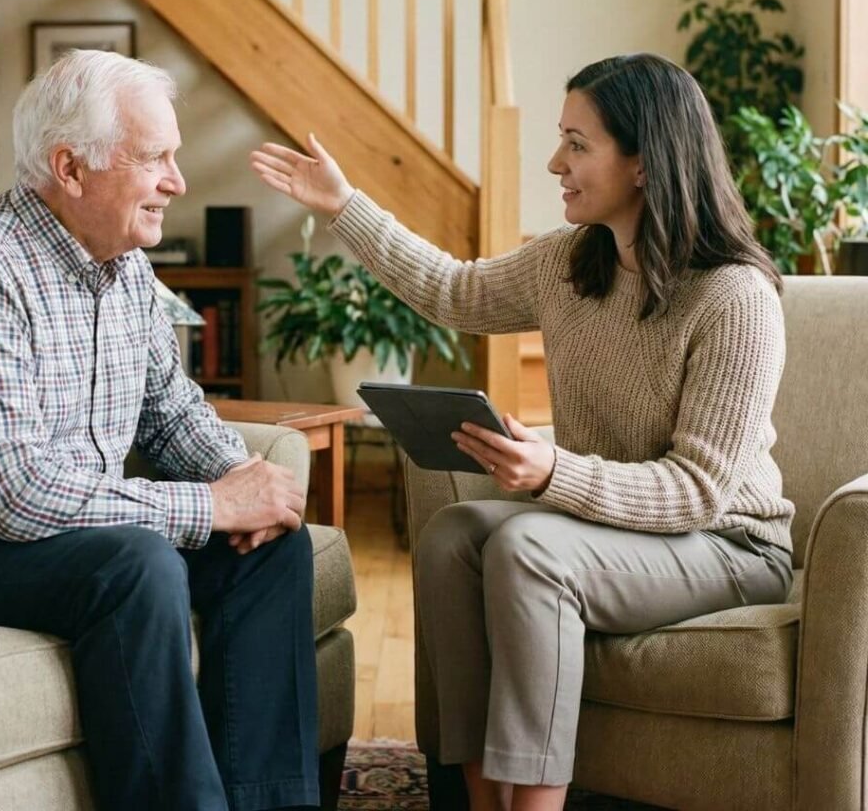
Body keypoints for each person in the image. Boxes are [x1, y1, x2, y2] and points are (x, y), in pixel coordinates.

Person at [250, 53, 794, 811]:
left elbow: (700, 492)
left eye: (577, 143)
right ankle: (479, 799)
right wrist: (346, 207)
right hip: (615, 529)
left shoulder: (734, 298)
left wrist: (551, 473)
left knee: (527, 547)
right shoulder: (571, 262)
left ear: (643, 162)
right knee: (452, 537)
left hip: (730, 544)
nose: (554, 162)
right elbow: (451, 290)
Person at [0, 49, 319, 811]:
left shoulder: (127, 271)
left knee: (271, 550)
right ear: (70, 167)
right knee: (135, 562)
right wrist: (209, 507)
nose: (177, 181)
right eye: (155, 158)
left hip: (45, 538)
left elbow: (173, 415)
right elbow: (15, 496)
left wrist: (247, 485)